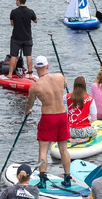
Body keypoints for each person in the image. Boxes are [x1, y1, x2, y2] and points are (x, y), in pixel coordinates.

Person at [23, 57, 71, 187]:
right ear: (47, 66)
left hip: (48, 117)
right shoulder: (60, 77)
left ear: (35, 68)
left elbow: (29, 103)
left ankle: (43, 180)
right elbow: (65, 85)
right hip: (62, 115)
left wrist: (27, 112)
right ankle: (67, 178)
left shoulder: (35, 87)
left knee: (43, 150)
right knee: (63, 150)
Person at [7, 0, 37, 77]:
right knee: (28, 55)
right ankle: (30, 74)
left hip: (16, 37)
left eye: (16, 0)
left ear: (18, 1)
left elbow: (12, 24)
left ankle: (10, 74)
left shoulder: (13, 12)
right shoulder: (30, 11)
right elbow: (35, 21)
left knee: (13, 56)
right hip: (27, 37)